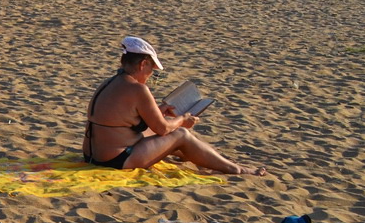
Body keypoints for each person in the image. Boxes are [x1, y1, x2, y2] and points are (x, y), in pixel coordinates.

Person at [83, 37, 265, 175]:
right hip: (116, 160)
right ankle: (237, 169)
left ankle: (203, 156)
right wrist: (182, 119)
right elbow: (162, 129)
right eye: (151, 71)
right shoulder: (138, 89)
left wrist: (160, 112)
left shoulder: (111, 82)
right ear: (143, 64)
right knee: (181, 134)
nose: (149, 75)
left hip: (93, 154)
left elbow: (123, 118)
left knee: (170, 127)